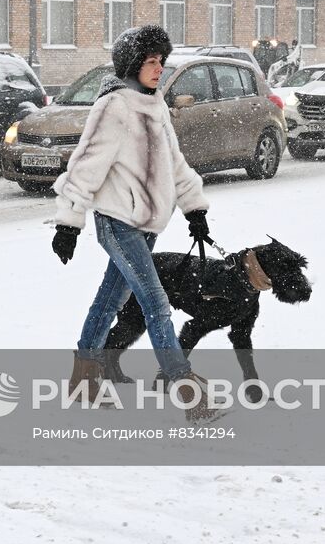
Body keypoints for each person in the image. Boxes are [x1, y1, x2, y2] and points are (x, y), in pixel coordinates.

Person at [50, 25, 216, 416]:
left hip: (147, 225)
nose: (160, 69)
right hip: (117, 221)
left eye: (162, 61)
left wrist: (196, 210)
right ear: (132, 65)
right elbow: (86, 165)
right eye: (151, 62)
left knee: (110, 300)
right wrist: (68, 223)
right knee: (156, 303)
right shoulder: (114, 108)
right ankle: (185, 388)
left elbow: (174, 163)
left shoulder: (154, 104)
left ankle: (84, 379)